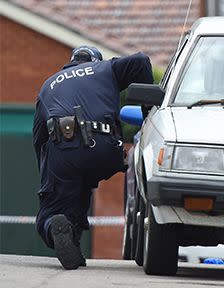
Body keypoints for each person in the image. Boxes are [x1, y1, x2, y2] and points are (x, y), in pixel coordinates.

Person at [32, 46, 153, 269]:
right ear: (95, 60)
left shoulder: (48, 85)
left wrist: (48, 182)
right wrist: (149, 115)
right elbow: (141, 61)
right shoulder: (106, 68)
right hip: (106, 149)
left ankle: (57, 225)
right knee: (84, 182)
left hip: (64, 149)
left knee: (52, 211)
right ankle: (74, 248)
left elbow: (39, 140)